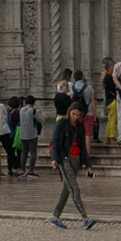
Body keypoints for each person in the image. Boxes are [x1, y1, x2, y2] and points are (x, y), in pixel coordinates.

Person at [47, 93, 95, 229]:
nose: (75, 117)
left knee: (66, 190)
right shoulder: (62, 123)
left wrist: (88, 165)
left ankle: (55, 217)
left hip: (76, 161)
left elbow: (83, 148)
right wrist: (54, 159)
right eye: (73, 114)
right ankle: (85, 218)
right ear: (69, 112)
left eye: (78, 115)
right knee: (75, 188)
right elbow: (56, 141)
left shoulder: (80, 127)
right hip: (65, 159)